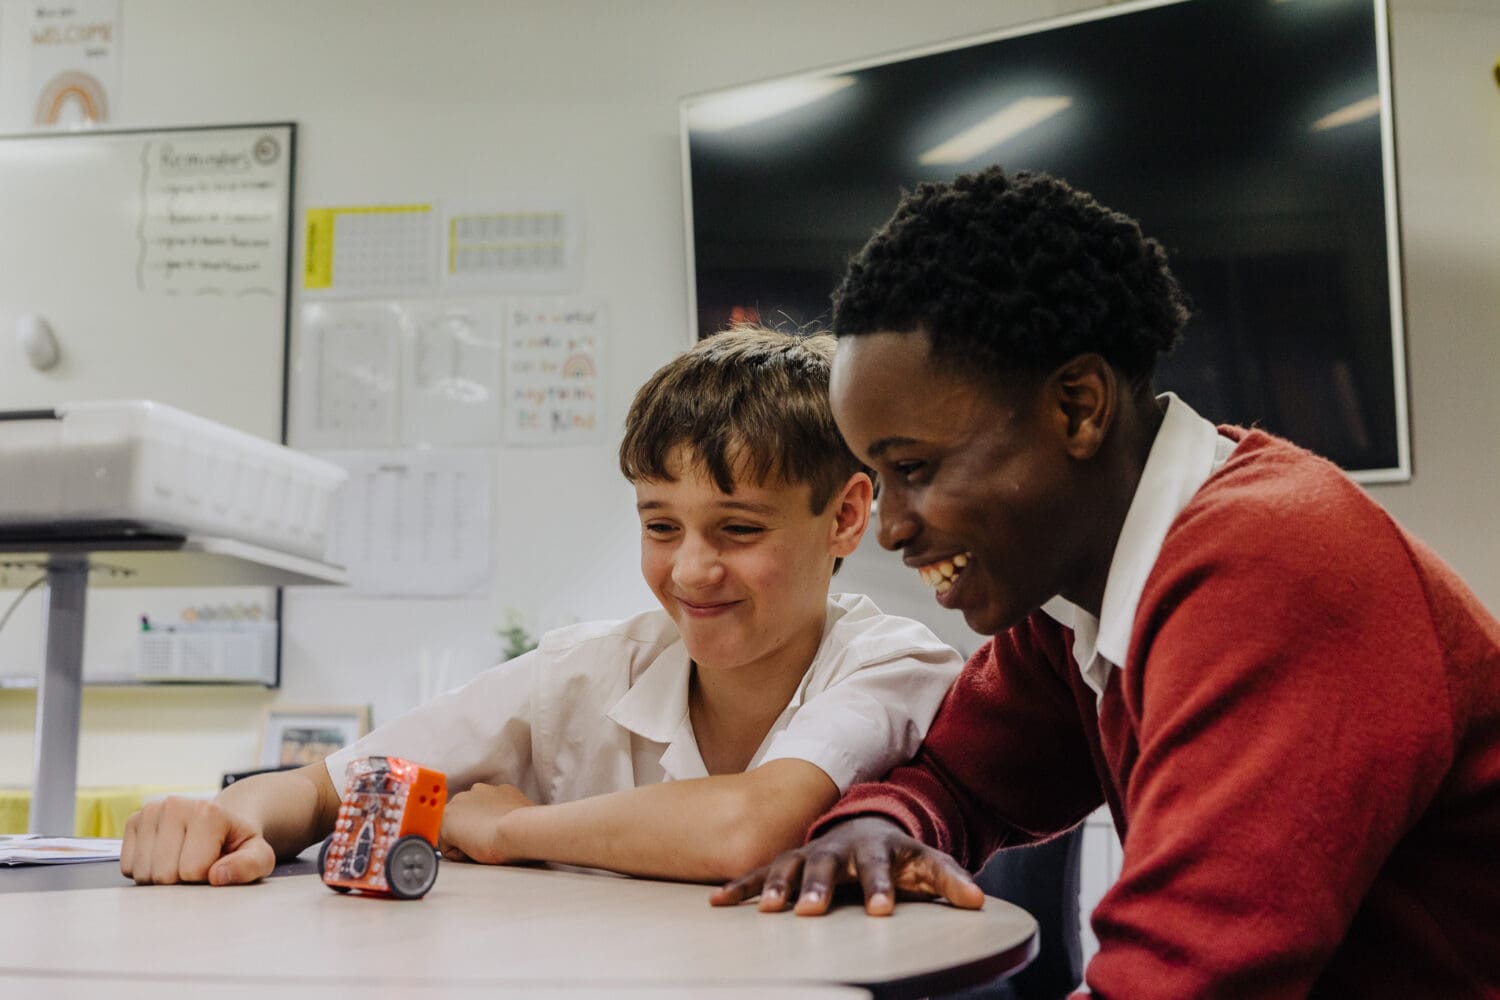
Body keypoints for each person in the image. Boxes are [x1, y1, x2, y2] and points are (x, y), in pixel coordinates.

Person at [712, 167, 1500, 998]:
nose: (892, 526)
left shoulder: (1270, 567)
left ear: (1078, 408)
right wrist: (875, 826)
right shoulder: (1080, 581)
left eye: (914, 468)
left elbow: (1185, 977)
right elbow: (959, 779)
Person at [120, 327, 964, 886]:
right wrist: (228, 818)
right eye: (661, 525)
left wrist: (510, 832)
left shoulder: (895, 664)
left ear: (847, 515)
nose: (692, 570)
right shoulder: (581, 673)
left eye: (739, 528)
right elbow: (323, 789)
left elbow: (748, 827)